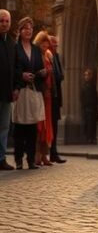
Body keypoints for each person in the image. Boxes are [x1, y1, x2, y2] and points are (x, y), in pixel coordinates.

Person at [11, 17, 44, 170]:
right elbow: (12, 68)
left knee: (32, 127)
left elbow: (39, 67)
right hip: (21, 90)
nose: (28, 31)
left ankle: (30, 159)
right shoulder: (15, 48)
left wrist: (40, 73)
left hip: (34, 91)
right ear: (20, 30)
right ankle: (18, 159)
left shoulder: (36, 49)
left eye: (30, 28)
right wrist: (21, 75)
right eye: (25, 28)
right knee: (20, 128)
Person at [33, 31, 55, 166]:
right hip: (39, 93)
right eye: (43, 43)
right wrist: (45, 72)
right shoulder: (35, 57)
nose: (45, 45)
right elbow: (36, 73)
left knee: (47, 126)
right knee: (39, 126)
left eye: (46, 43)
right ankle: (37, 155)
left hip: (48, 95)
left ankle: (44, 155)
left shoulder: (48, 57)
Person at [0, 9, 15, 170]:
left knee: (4, 126)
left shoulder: (12, 43)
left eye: (6, 21)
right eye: (1, 21)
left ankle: (1, 158)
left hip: (7, 93)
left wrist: (16, 87)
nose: (4, 24)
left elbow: (15, 68)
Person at [47, 35, 65, 163]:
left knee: (55, 125)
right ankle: (46, 152)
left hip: (56, 96)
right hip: (48, 96)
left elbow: (60, 75)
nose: (56, 45)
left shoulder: (56, 56)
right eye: (53, 43)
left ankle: (54, 152)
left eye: (56, 43)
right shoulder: (46, 56)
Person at [79, 68, 98, 144]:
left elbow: (95, 97)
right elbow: (82, 97)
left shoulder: (93, 86)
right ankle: (87, 138)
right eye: (85, 75)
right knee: (86, 123)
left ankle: (91, 137)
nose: (86, 76)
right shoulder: (84, 87)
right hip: (86, 108)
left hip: (92, 108)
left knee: (92, 123)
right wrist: (83, 106)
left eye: (87, 75)